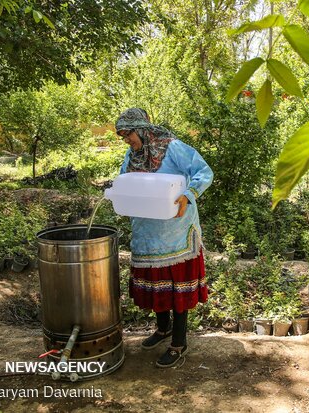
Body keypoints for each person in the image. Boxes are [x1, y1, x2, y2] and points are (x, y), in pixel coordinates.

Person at [115, 108, 213, 368]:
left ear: (142, 129)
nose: (127, 140)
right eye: (123, 136)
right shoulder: (133, 155)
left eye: (129, 134)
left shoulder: (173, 148)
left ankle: (179, 343)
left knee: (175, 288)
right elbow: (125, 180)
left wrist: (189, 193)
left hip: (175, 232)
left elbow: (204, 172)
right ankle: (162, 329)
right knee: (158, 286)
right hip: (148, 232)